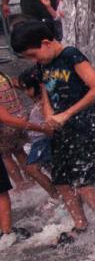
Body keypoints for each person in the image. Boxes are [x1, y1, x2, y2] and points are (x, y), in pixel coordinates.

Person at [10, 21, 95, 245]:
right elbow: (45, 92)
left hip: (84, 128)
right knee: (62, 180)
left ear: (45, 43)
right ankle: (80, 225)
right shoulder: (45, 65)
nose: (34, 60)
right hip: (60, 131)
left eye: (33, 54)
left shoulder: (71, 55)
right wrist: (49, 115)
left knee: (84, 181)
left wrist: (66, 114)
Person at [0, 82, 52, 240]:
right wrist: (41, 128)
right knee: (1, 192)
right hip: (15, 123)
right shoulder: (4, 77)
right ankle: (7, 233)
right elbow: (7, 118)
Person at [13, 68, 58, 201]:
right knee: (52, 170)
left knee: (31, 168)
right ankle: (63, 194)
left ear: (38, 87)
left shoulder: (44, 104)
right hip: (39, 142)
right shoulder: (40, 100)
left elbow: (50, 127)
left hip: (42, 141)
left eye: (27, 89)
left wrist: (27, 125)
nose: (26, 92)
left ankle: (56, 196)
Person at [0, 70, 30, 189]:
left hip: (4, 125)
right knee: (20, 151)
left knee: (6, 156)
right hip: (19, 120)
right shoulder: (4, 76)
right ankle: (32, 178)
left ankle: (20, 184)